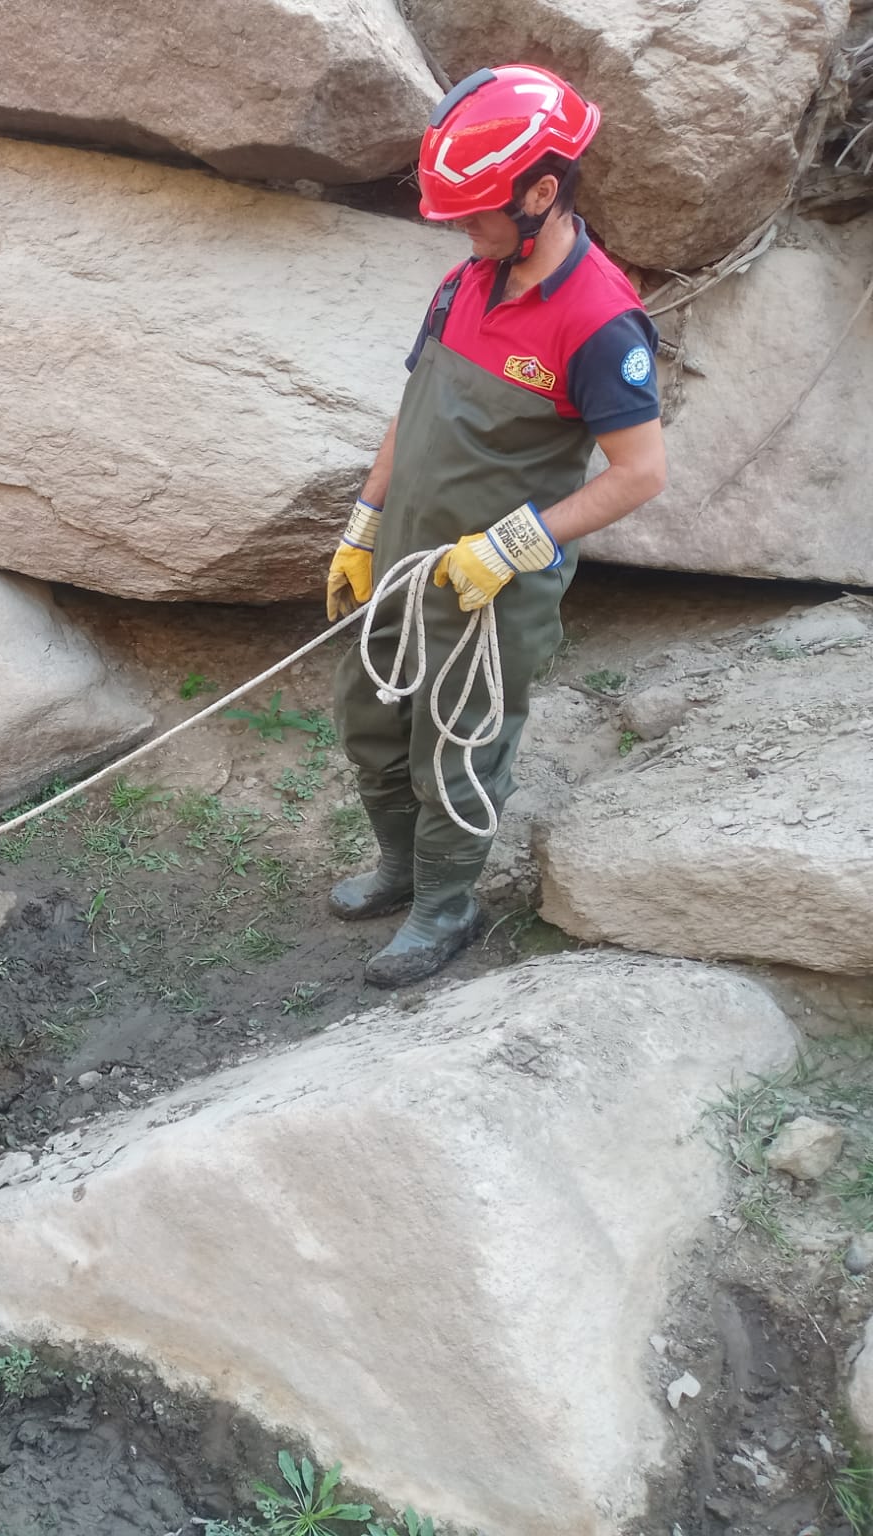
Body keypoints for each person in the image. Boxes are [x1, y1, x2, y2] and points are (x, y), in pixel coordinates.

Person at [323, 64, 668, 987]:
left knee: (461, 740)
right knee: (373, 717)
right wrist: (364, 522)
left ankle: (446, 907)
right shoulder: (464, 282)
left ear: (542, 192)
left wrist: (512, 547)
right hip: (409, 557)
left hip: (492, 584)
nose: (462, 234)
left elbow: (641, 474)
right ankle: (401, 869)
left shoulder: (602, 321)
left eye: (476, 213)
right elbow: (415, 403)